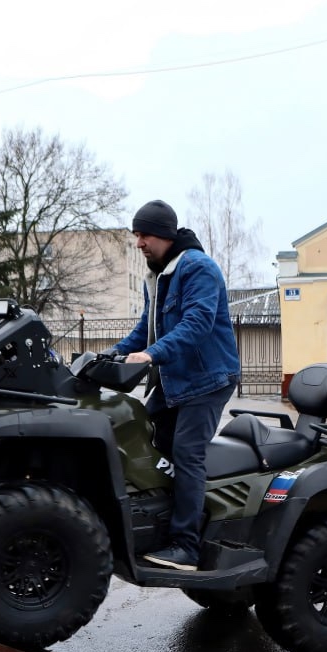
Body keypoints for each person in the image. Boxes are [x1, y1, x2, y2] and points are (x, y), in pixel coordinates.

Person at [111, 200, 240, 571]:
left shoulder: (198, 268)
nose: (139, 243)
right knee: (139, 433)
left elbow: (197, 324)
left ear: (165, 234)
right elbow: (145, 329)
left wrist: (152, 355)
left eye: (144, 234)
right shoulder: (158, 274)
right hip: (175, 378)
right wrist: (112, 354)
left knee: (186, 452)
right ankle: (165, 515)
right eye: (136, 235)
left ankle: (187, 545)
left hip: (209, 378)